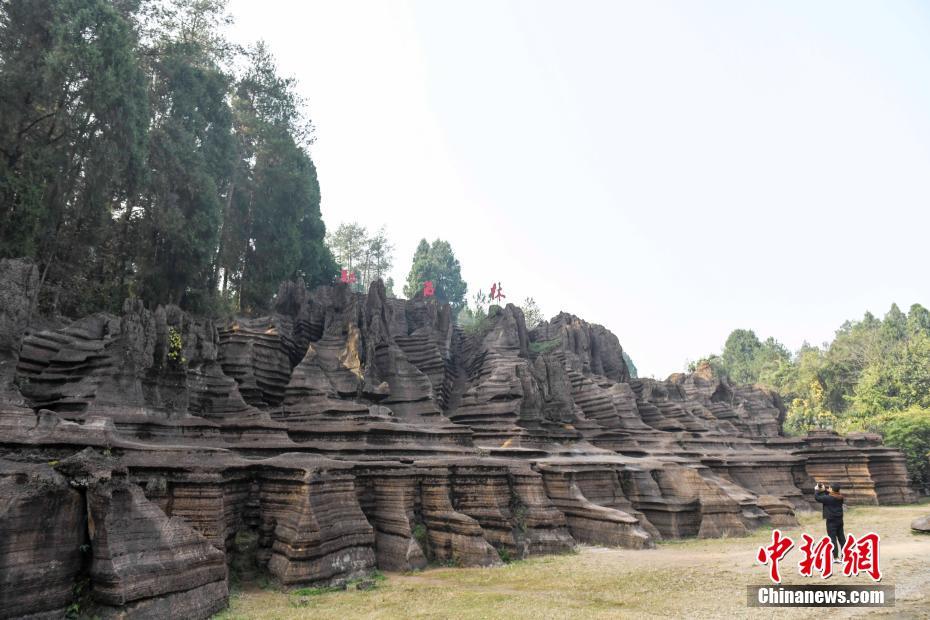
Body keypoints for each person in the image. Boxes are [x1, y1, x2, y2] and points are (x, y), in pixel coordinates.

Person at [814, 481, 846, 559]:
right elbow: (831, 494)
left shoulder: (829, 498)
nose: (828, 489)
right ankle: (846, 555)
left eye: (829, 488)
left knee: (832, 538)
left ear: (831, 489)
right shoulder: (840, 497)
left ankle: (835, 557)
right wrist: (824, 489)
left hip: (831, 521)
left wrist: (816, 490)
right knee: (841, 538)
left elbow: (817, 498)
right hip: (839, 520)